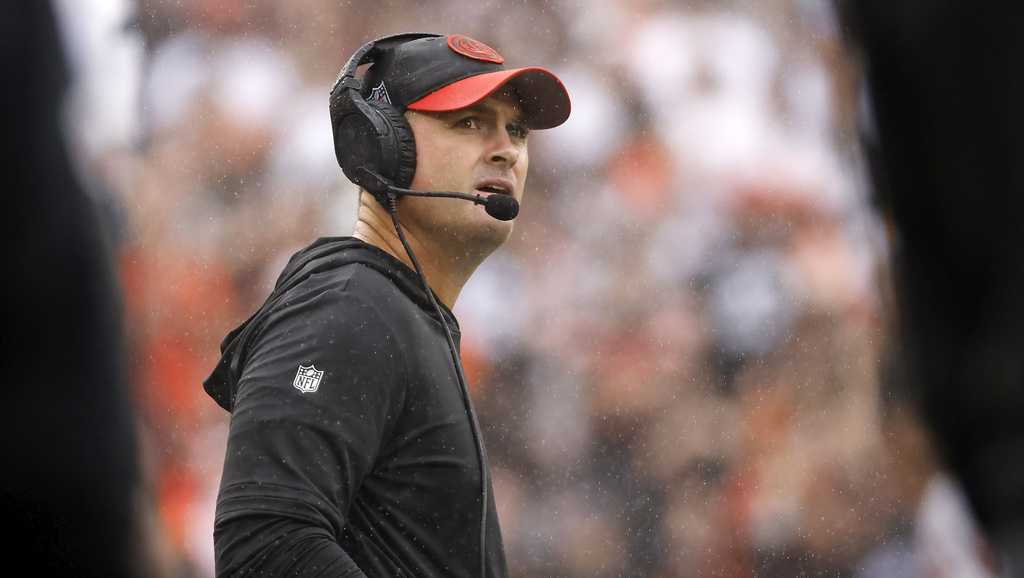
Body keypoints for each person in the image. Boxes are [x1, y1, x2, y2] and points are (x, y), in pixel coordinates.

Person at [203, 33, 570, 577]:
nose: (506, 148)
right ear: (378, 144)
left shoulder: (391, 310)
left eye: (515, 129)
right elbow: (265, 545)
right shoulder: (348, 309)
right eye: (468, 122)